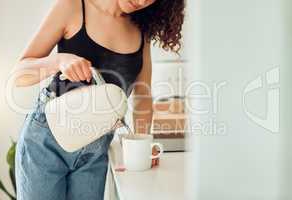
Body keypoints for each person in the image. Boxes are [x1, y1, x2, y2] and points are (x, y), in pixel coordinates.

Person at [12, 0, 185, 199]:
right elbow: (19, 75)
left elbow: (142, 97)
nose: (142, 1)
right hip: (46, 142)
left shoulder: (141, 30)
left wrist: (142, 145)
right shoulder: (73, 6)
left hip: (95, 151)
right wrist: (59, 61)